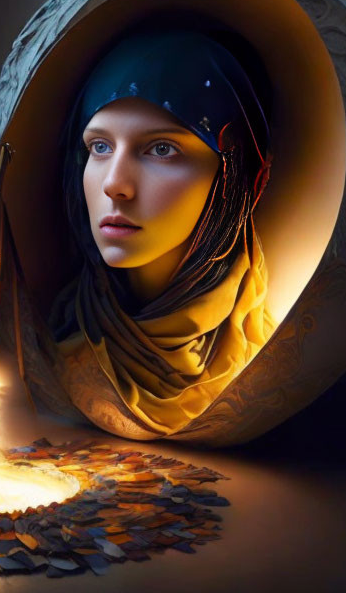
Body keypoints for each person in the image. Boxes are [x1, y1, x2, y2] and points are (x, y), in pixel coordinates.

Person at [47, 27, 277, 439]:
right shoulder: (65, 340)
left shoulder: (267, 363)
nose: (115, 184)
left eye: (162, 149)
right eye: (99, 147)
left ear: (231, 175)